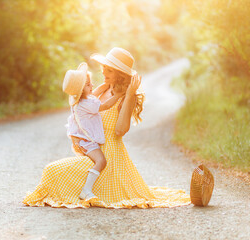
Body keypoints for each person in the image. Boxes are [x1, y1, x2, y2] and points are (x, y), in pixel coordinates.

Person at [23, 47, 190, 208]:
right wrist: (78, 138)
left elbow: (120, 131)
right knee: (51, 170)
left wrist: (130, 95)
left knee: (53, 171)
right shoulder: (102, 89)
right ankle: (82, 190)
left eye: (109, 71)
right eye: (104, 68)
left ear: (120, 75)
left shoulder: (126, 97)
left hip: (109, 157)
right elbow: (80, 109)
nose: (103, 72)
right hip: (94, 149)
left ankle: (86, 190)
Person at [63, 62, 124, 200]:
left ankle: (86, 188)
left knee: (99, 161)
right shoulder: (87, 105)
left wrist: (107, 85)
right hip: (88, 142)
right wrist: (118, 95)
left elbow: (96, 92)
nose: (92, 87)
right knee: (101, 161)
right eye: (88, 85)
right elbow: (105, 105)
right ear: (80, 90)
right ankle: (86, 190)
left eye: (90, 84)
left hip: (83, 140)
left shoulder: (81, 101)